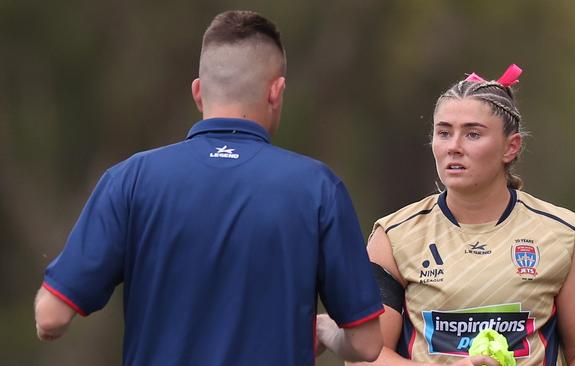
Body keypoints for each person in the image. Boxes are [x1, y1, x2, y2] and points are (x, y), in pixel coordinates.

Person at [33, 10, 384, 365]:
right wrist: (328, 333)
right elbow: (368, 344)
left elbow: (51, 316)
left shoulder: (130, 179)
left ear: (198, 93)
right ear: (276, 92)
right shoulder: (317, 188)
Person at [320, 65, 575, 366]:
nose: (454, 147)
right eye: (444, 132)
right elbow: (365, 357)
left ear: (511, 147)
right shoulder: (393, 236)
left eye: (472, 134)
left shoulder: (562, 233)